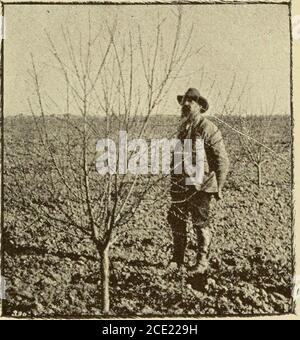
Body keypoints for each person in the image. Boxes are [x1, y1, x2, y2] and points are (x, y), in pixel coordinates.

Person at [167, 88, 230, 274]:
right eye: (185, 100)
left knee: (200, 224)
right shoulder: (182, 128)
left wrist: (219, 186)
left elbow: (222, 160)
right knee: (176, 220)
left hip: (201, 186)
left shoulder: (208, 128)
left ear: (200, 106)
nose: (186, 104)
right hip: (180, 185)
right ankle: (177, 259)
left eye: (191, 101)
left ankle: (201, 262)